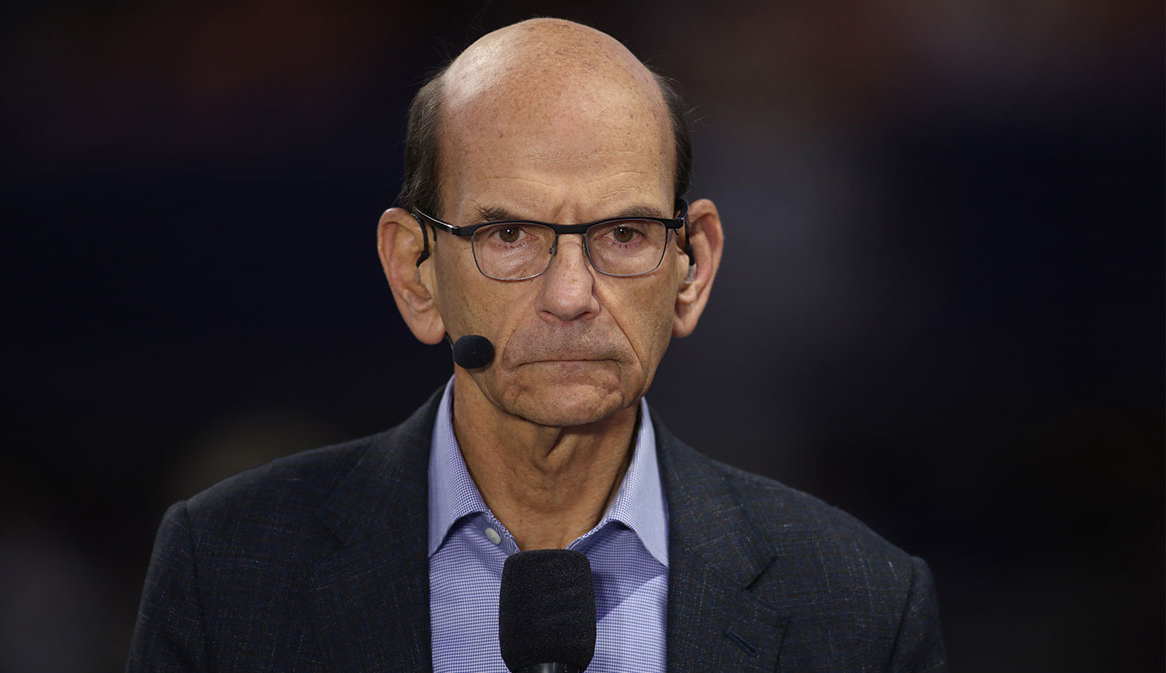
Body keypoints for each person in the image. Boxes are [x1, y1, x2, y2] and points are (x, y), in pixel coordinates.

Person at [128, 18, 947, 673]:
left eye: (624, 232)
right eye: (509, 233)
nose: (570, 294)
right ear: (415, 273)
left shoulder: (860, 603)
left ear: (691, 269)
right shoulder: (228, 569)